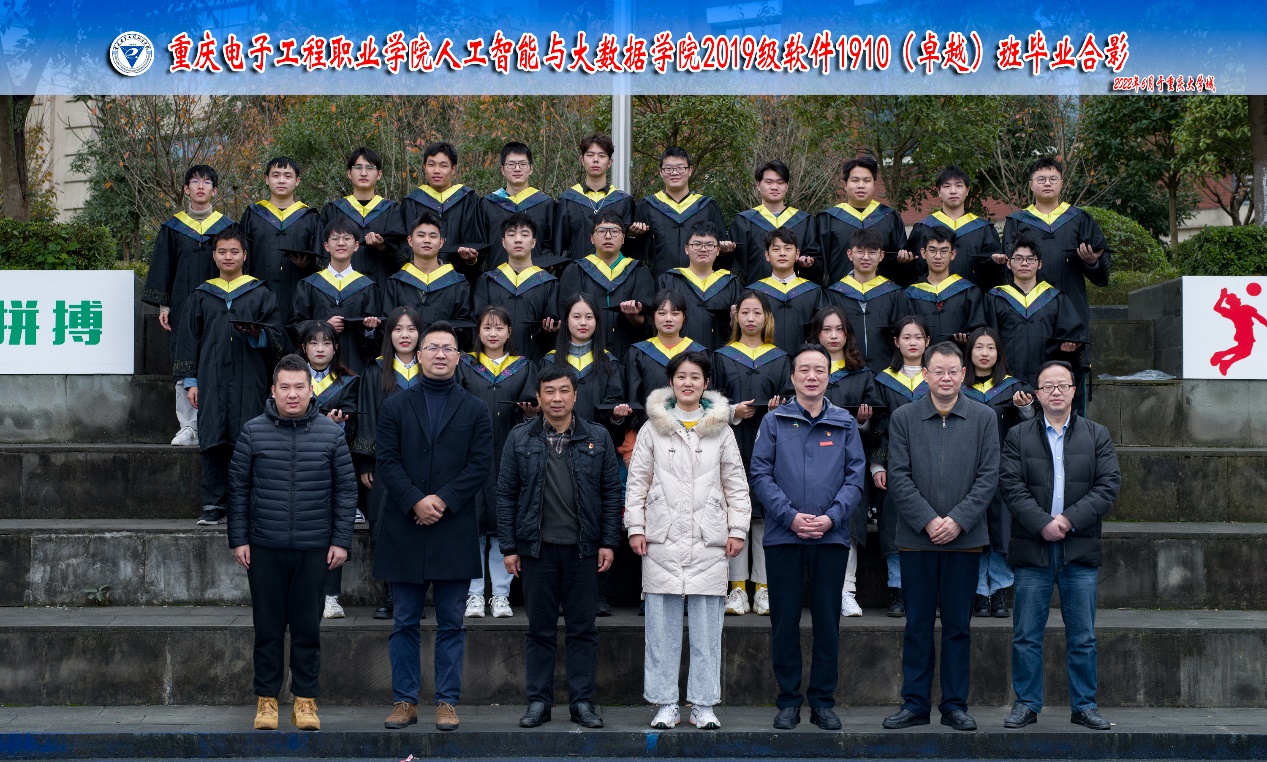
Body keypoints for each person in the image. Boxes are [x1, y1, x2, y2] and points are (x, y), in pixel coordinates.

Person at [374, 321, 494, 732]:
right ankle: (404, 701)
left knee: (452, 623)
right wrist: (415, 500)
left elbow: (480, 463)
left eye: (448, 348)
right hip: (405, 527)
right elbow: (387, 460)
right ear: (419, 355)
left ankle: (447, 702)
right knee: (404, 621)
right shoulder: (395, 406)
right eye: (432, 348)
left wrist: (442, 500)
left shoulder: (475, 408)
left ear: (459, 357)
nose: (440, 354)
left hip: (452, 528)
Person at [228, 353, 357, 732]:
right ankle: (267, 700)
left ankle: (305, 700)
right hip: (263, 547)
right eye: (284, 387)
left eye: (299, 386)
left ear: (311, 389)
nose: (292, 394)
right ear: (273, 390)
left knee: (307, 629)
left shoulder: (330, 434)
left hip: (314, 548)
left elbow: (346, 491)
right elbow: (238, 490)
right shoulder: (253, 432)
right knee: (267, 629)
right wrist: (239, 539)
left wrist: (341, 541)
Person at [625, 351, 751, 730]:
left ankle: (703, 704)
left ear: (706, 383)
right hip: (662, 536)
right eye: (681, 376)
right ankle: (666, 703)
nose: (688, 383)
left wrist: (737, 530)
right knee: (660, 630)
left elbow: (736, 485)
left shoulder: (722, 430)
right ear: (671, 382)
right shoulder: (652, 428)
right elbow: (637, 482)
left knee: (707, 631)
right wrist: (636, 527)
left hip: (708, 538)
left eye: (695, 376)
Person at [497, 364, 623, 730]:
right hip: (537, 550)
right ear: (538, 397)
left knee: (583, 629)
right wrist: (509, 546)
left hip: (583, 550)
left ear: (575, 395)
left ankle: (582, 702)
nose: (557, 398)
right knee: (540, 629)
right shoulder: (520, 438)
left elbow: (611, 492)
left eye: (564, 390)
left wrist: (608, 542)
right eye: (549, 391)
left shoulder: (597, 436)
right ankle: (539, 702)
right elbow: (505, 494)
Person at [882, 341, 999, 733]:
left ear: (963, 374)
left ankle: (954, 705)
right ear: (925, 374)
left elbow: (989, 476)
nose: (946, 378)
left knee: (958, 627)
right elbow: (898, 475)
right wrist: (929, 520)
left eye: (953, 371)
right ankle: (915, 704)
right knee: (917, 625)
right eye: (938, 371)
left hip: (965, 541)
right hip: (917, 539)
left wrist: (959, 520)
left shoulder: (984, 417)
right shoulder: (904, 417)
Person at [750, 343, 866, 732]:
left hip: (830, 538)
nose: (812, 376)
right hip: (784, 537)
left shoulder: (845, 422)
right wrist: (790, 517)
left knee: (827, 623)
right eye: (804, 370)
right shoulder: (774, 421)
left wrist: (831, 518)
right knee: (784, 622)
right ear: (793, 376)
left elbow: (855, 478)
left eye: (819, 370)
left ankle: (822, 702)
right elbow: (760, 474)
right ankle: (788, 700)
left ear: (829, 376)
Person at [999, 360, 1120, 732]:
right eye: (1047, 386)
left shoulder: (1097, 435)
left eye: (1062, 385)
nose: (1055, 392)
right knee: (1026, 635)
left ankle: (1084, 706)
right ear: (1037, 394)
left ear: (1073, 391)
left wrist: (1066, 521)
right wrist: (1042, 524)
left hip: (1078, 548)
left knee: (1083, 636)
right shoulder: (1018, 436)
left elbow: (1108, 486)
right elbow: (1011, 486)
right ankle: (1026, 704)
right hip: (1032, 548)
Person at [174, 227, 286, 526]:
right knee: (212, 438)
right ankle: (213, 504)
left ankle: (244, 504)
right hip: (211, 377)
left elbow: (278, 337)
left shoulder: (260, 293)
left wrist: (257, 334)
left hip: (250, 376)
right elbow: (189, 339)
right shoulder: (201, 294)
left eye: (234, 251)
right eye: (222, 251)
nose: (228, 257)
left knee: (246, 437)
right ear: (213, 256)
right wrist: (191, 381)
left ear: (244, 255)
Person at [541, 293, 633, 617]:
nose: (583, 322)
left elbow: (615, 411)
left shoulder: (609, 363)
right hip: (555, 449)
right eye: (576, 316)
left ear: (598, 321)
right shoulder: (550, 361)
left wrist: (618, 417)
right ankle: (562, 596)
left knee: (599, 518)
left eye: (589, 317)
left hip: (597, 451)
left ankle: (599, 593)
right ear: (565, 321)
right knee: (560, 521)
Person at [143, 164, 234, 447]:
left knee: (219, 358)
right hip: (183, 306)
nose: (200, 186)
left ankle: (216, 424)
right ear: (186, 189)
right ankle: (188, 427)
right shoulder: (173, 227)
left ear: (214, 191)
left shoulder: (227, 227)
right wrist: (163, 305)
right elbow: (164, 267)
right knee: (184, 362)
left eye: (206, 182)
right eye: (195, 182)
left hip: (220, 303)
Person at [457, 306, 539, 619]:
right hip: (471, 456)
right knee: (473, 528)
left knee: (502, 527)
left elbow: (532, 410)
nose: (493, 333)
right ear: (478, 332)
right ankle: (474, 594)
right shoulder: (464, 365)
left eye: (499, 327)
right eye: (487, 328)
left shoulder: (523, 367)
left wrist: (530, 412)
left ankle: (500, 595)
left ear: (509, 332)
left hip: (510, 453)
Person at [711, 291, 790, 616]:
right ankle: (738, 589)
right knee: (735, 515)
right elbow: (708, 400)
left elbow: (791, 399)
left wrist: (777, 410)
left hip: (771, 446)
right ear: (736, 316)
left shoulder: (781, 358)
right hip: (731, 443)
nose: (751, 318)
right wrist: (732, 411)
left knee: (765, 516)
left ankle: (764, 589)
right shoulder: (722, 357)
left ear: (767, 318)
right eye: (745, 312)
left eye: (757, 312)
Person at [808, 306, 882, 617]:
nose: (834, 335)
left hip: (848, 461)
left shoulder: (861, 374)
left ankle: (846, 589)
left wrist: (863, 422)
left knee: (848, 523)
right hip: (810, 459)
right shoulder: (807, 369)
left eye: (839, 329)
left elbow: (876, 423)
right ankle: (821, 590)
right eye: (827, 329)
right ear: (817, 334)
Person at [352, 306, 425, 621]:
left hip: (424, 463)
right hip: (385, 464)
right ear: (388, 334)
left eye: (411, 329)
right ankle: (391, 595)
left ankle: (415, 598)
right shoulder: (376, 370)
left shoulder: (430, 368)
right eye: (398, 329)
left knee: (420, 529)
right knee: (385, 528)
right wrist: (366, 462)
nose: (405, 335)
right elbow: (367, 416)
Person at [961, 327, 1036, 618]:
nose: (984, 353)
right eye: (978, 347)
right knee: (975, 528)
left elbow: (1030, 433)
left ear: (999, 353)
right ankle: (980, 591)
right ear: (969, 353)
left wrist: (1025, 410)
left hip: (1005, 471)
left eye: (990, 347)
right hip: (968, 470)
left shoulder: (1014, 388)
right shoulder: (958, 389)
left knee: (1002, 530)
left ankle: (1000, 589)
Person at [296, 321, 363, 619]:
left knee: (334, 528)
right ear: (304, 348)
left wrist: (338, 425)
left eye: (326, 343)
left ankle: (332, 596)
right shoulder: (293, 380)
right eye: (314, 343)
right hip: (298, 464)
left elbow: (355, 421)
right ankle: (306, 594)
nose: (320, 349)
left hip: (335, 463)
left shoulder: (349, 381)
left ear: (336, 348)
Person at [869, 315, 932, 616]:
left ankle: (926, 591)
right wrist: (877, 465)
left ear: (927, 341)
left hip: (933, 465)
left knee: (929, 524)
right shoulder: (882, 381)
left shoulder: (937, 378)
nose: (912, 342)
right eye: (906, 337)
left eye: (918, 337)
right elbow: (878, 428)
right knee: (893, 526)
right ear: (896, 342)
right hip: (895, 466)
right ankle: (898, 589)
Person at [985, 236, 1087, 386]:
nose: (1024, 263)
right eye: (1018, 258)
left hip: (1047, 383)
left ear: (1040, 264)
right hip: (1004, 382)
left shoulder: (1055, 298)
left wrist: (1071, 344)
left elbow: (1074, 334)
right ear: (1008, 263)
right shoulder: (995, 298)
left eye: (1030, 259)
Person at [556, 211, 656, 360]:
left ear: (623, 238)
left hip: (629, 355)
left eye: (615, 231)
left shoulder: (638, 271)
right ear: (591, 238)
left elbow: (648, 321)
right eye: (601, 231)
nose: (608, 236)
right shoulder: (575, 270)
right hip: (584, 357)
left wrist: (634, 316)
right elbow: (565, 316)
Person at [288, 217, 384, 374]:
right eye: (335, 238)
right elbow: (294, 326)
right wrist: (322, 326)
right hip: (316, 371)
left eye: (347, 238)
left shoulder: (368, 287)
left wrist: (370, 330)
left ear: (356, 246)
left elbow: (378, 340)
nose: (341, 243)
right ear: (326, 246)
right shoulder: (309, 284)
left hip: (355, 368)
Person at [630, 146, 733, 280]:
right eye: (668, 168)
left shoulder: (707, 206)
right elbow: (638, 254)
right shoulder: (647, 206)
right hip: (659, 284)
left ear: (690, 170)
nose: (674, 173)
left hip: (701, 285)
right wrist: (632, 234)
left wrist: (725, 250)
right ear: (660, 171)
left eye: (680, 168)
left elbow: (720, 250)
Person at [473, 213, 561, 363]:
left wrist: (548, 331)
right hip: (492, 364)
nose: (518, 240)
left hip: (534, 362)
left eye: (524, 235)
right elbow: (478, 324)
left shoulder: (548, 283)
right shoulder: (488, 281)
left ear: (533, 242)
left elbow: (554, 332)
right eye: (511, 235)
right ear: (503, 242)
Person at [239, 156, 321, 315]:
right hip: (258, 302)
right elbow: (243, 261)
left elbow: (321, 262)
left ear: (297, 181)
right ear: (266, 179)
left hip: (300, 303)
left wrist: (308, 265)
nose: (281, 180)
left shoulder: (311, 217)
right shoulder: (252, 215)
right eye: (276, 175)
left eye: (288, 176)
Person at [824, 227, 911, 374]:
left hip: (888, 373)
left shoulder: (895, 294)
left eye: (872, 252)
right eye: (860, 252)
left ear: (881, 256)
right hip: (845, 373)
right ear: (850, 254)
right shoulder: (834, 293)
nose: (866, 257)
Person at [816, 156, 912, 287]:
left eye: (867, 180)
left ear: (874, 184)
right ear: (845, 184)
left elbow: (901, 264)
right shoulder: (828, 219)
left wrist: (903, 261)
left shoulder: (889, 217)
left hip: (881, 294)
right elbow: (820, 264)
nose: (861, 185)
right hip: (839, 293)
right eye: (855, 180)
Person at [320, 146, 408, 285]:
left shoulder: (392, 211)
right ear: (349, 173)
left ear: (379, 174)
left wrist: (383, 247)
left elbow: (404, 258)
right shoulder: (333, 210)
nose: (363, 173)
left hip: (382, 287)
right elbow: (323, 255)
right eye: (358, 167)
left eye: (370, 168)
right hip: (341, 288)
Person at [907, 166, 1005, 290]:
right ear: (939, 191)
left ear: (967, 190)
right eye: (947, 186)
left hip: (972, 298)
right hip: (931, 299)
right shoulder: (923, 228)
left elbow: (994, 277)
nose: (953, 191)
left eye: (959, 186)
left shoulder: (983, 229)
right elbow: (913, 272)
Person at [400, 141, 485, 275]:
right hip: (419, 278)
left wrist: (471, 260)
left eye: (443, 165)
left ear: (453, 169)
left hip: (461, 278)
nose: (436, 171)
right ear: (424, 167)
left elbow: (477, 242)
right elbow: (404, 247)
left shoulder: (467, 199)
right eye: (431, 165)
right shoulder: (412, 201)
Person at [729, 160, 819, 284]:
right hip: (755, 292)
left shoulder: (804, 221)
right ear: (758, 185)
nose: (774, 187)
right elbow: (737, 266)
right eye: (769, 182)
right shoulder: (744, 221)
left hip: (795, 292)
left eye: (780, 182)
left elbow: (815, 261)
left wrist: (808, 264)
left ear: (787, 186)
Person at [657, 221, 741, 350]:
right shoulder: (669, 280)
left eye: (709, 245)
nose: (703, 249)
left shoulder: (731, 283)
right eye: (697, 244)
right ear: (686, 249)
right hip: (678, 355)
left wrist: (735, 320)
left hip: (719, 354)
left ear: (718, 250)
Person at [383, 211, 473, 329]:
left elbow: (464, 327)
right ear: (410, 240)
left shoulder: (458, 283)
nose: (427, 240)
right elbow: (388, 326)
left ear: (441, 242)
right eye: (421, 235)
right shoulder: (396, 282)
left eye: (433, 236)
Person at [554, 133, 635, 260]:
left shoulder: (623, 201)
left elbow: (629, 249)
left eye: (602, 155)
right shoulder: (567, 200)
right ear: (582, 160)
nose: (595, 160)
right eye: (590, 155)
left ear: (609, 162)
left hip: (614, 271)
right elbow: (559, 245)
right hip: (576, 269)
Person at [624, 289, 708, 408]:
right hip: (649, 419)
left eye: (675, 313)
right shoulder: (639, 353)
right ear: (653, 316)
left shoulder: (699, 352)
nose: (668, 319)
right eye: (662, 313)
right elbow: (633, 398)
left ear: (684, 316)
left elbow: (708, 398)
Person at [480, 142, 556, 272]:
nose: (517, 169)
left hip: (535, 279)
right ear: (502, 170)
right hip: (497, 278)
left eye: (523, 164)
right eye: (511, 164)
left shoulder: (545, 204)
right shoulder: (488, 204)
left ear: (531, 169)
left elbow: (550, 245)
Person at [747, 228, 825, 354]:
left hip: (804, 361)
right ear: (767, 255)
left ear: (797, 253)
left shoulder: (813, 292)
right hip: (764, 361)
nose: (782, 253)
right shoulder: (755, 293)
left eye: (788, 248)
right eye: (776, 249)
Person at [904, 228, 986, 346]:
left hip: (958, 356)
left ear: (953, 254)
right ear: (923, 253)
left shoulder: (969, 292)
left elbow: (978, 330)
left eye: (944, 251)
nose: (938, 256)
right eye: (932, 250)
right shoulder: (911, 294)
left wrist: (968, 338)